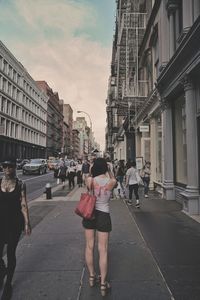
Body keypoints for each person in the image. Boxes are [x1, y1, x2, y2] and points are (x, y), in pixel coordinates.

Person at [83, 158, 116, 297]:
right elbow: (113, 177)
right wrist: (109, 170)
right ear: (105, 168)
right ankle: (103, 283)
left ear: (95, 167)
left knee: (89, 246)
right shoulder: (111, 182)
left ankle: (91, 277)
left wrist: (91, 170)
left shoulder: (90, 181)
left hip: (89, 214)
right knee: (103, 250)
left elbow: (88, 176)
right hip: (104, 215)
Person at [0, 157, 31, 300]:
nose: (7, 169)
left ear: (14, 168)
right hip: (1, 223)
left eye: (10, 166)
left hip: (15, 223)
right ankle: (3, 270)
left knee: (11, 253)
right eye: (4, 166)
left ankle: (8, 284)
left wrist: (27, 223)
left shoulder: (20, 184)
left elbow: (23, 204)